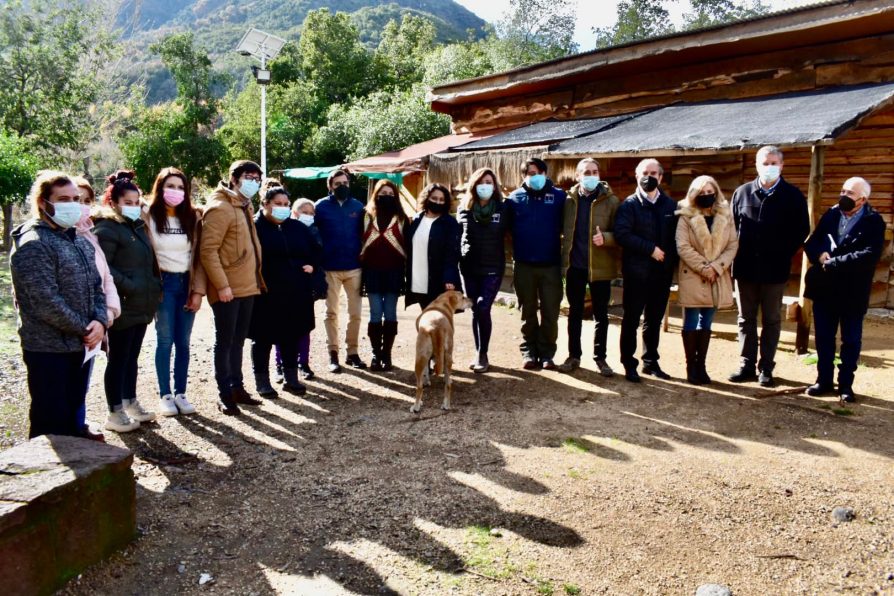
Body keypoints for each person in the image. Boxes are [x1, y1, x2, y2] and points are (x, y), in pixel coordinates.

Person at [10, 171, 108, 439]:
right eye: (64, 199)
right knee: (50, 424)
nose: (73, 204)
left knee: (72, 416)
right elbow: (45, 301)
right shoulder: (33, 243)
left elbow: (96, 287)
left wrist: (100, 321)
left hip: (81, 346)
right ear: (43, 202)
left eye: (76, 199)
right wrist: (85, 329)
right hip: (49, 350)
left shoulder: (77, 239)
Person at [729, 146, 810, 387]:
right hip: (744, 269)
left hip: (775, 270)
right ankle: (746, 363)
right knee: (746, 318)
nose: (769, 167)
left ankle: (766, 367)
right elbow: (731, 227)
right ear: (756, 165)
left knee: (772, 320)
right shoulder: (742, 193)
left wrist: (782, 251)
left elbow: (801, 230)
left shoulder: (793, 196)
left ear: (782, 165)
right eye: (764, 163)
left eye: (773, 163)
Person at [804, 177, 885, 403]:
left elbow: (870, 255)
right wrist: (820, 254)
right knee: (823, 338)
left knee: (850, 340)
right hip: (825, 289)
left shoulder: (873, 221)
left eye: (849, 193)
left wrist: (836, 262)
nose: (843, 196)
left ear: (862, 199)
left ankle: (846, 385)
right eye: (842, 190)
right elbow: (812, 242)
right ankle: (824, 380)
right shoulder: (831, 215)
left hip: (853, 291)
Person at [94, 173, 161, 432]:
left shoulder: (137, 226)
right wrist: (130, 286)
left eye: (137, 201)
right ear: (113, 202)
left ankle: (130, 401)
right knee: (118, 359)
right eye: (128, 201)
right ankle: (115, 412)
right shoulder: (108, 228)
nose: (134, 206)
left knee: (131, 357)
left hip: (141, 305)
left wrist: (152, 286)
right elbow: (104, 267)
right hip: (123, 304)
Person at [200, 160, 266, 415]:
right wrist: (222, 285)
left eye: (257, 178)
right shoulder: (220, 207)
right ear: (234, 178)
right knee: (225, 342)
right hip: (227, 289)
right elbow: (208, 251)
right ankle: (224, 393)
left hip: (247, 285)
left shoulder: (243, 206)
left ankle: (237, 386)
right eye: (249, 176)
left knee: (238, 340)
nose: (254, 181)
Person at [249, 185, 319, 397]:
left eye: (286, 204)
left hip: (296, 291)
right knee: (262, 338)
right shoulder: (254, 227)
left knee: (292, 334)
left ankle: (291, 378)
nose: (282, 208)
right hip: (265, 292)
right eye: (277, 204)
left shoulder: (297, 228)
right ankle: (262, 381)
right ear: (265, 204)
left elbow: (315, 250)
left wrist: (312, 265)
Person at [145, 167, 204, 416]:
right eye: (170, 186)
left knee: (184, 342)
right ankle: (165, 394)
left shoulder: (193, 217)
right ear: (160, 188)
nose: (175, 191)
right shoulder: (147, 216)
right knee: (165, 340)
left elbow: (199, 257)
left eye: (180, 187)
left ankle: (181, 392)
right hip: (163, 285)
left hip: (186, 283)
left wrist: (198, 291)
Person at [614, 158, 678, 383]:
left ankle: (650, 362)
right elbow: (622, 234)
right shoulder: (629, 205)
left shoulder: (670, 206)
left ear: (660, 177)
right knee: (631, 319)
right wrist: (650, 249)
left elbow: (676, 239)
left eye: (653, 173)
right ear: (637, 175)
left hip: (661, 274)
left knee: (654, 319)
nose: (649, 177)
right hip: (636, 273)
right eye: (645, 172)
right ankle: (628, 363)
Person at [674, 176, 738, 384]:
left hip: (716, 276)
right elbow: (682, 246)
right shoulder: (686, 216)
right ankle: (690, 366)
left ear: (716, 192)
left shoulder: (726, 215)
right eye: (701, 193)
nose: (706, 196)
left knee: (707, 321)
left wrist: (717, 267)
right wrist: (704, 267)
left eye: (709, 192)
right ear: (693, 195)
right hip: (693, 275)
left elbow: (732, 245)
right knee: (691, 321)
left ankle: (701, 365)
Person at [559, 158, 620, 376]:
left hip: (600, 268)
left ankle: (600, 358)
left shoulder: (611, 201)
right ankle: (573, 355)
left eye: (594, 172)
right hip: (574, 266)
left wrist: (607, 238)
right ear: (577, 176)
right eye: (586, 172)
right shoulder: (568, 200)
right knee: (574, 313)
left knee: (601, 315)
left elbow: (621, 233)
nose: (591, 176)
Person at [504, 158, 566, 370]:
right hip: (524, 265)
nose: (535, 176)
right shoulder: (513, 199)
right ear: (524, 175)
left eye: (539, 172)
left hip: (550, 265)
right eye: (531, 173)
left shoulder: (559, 197)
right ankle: (529, 351)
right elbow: (506, 230)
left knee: (550, 312)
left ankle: (547, 354)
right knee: (527, 311)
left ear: (546, 173)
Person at [72, 176, 120, 441]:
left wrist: (106, 315)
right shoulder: (43, 238)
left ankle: (78, 424)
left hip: (94, 324)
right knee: (57, 392)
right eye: (72, 200)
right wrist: (84, 325)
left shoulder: (89, 234)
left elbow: (104, 280)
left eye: (85, 200)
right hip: (71, 328)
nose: (80, 206)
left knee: (81, 382)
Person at [314, 169, 366, 373]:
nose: (342, 186)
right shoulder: (320, 207)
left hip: (354, 267)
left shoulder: (358, 206)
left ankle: (352, 353)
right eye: (337, 183)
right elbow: (313, 233)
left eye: (345, 182)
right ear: (330, 186)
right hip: (330, 268)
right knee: (331, 313)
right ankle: (333, 353)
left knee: (356, 314)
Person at [457, 168, 509, 374]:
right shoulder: (464, 209)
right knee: (474, 309)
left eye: (489, 181)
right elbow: (457, 238)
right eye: (481, 182)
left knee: (483, 306)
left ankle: (483, 353)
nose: (485, 185)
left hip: (493, 267)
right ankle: (478, 351)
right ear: (474, 185)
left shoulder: (504, 209)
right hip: (469, 267)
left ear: (494, 185)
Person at [360, 179, 408, 371]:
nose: (386, 197)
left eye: (390, 194)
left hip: (394, 272)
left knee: (390, 313)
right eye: (383, 193)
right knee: (374, 313)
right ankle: (375, 354)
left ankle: (386, 354)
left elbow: (408, 245)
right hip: (372, 272)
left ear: (395, 196)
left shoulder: (403, 218)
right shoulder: (366, 216)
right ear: (375, 194)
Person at [406, 183, 462, 310]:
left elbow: (452, 253)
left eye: (441, 200)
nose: (438, 202)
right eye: (434, 198)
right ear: (427, 198)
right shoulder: (417, 219)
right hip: (418, 280)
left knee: (439, 320)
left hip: (439, 281)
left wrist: (449, 278)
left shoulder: (450, 223)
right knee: (426, 318)